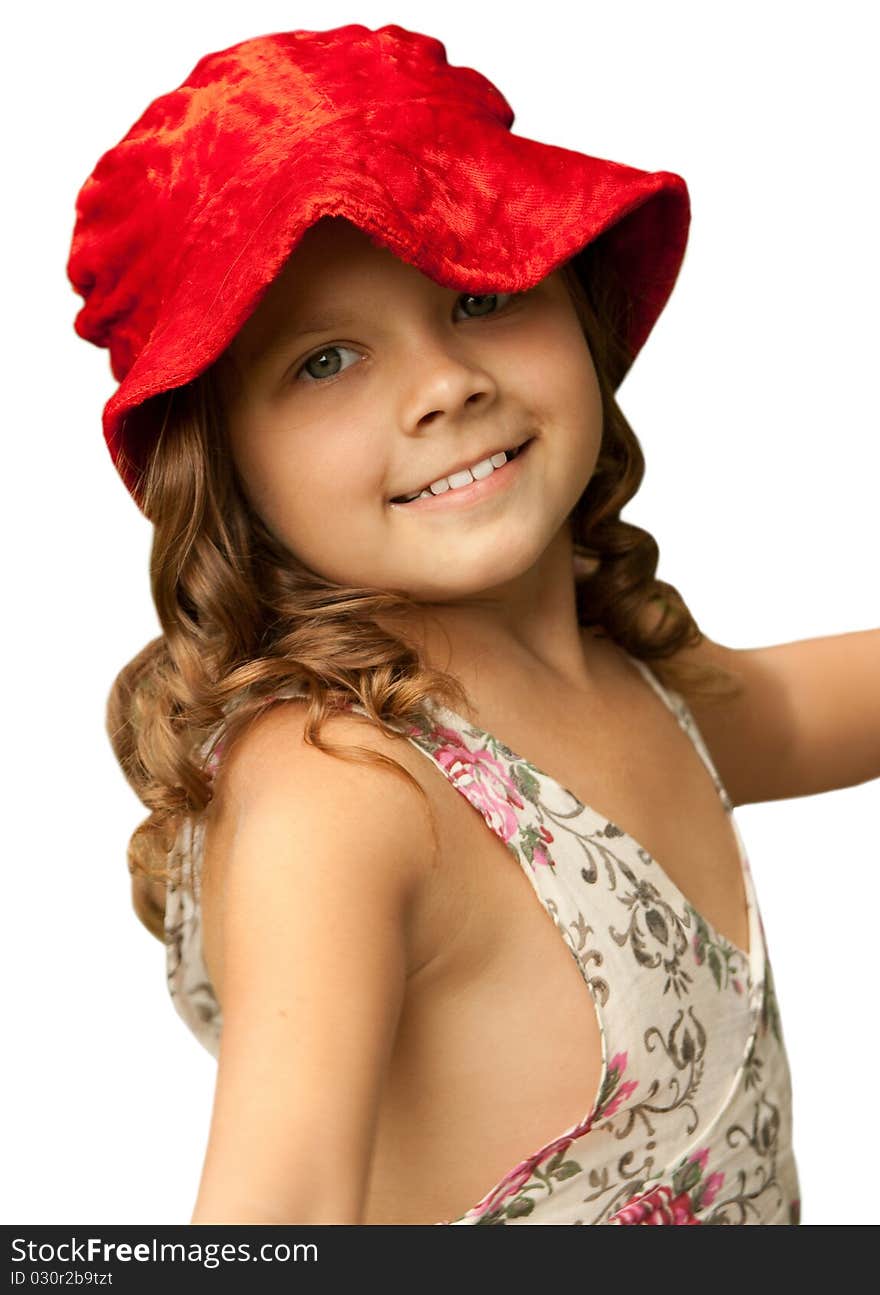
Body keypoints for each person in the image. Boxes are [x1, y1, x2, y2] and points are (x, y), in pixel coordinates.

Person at [66, 23, 877, 1226]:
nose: (442, 382)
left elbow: (811, 707)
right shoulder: (342, 790)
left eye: (481, 291)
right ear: (221, 464)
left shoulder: (635, 685)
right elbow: (272, 1216)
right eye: (326, 358)